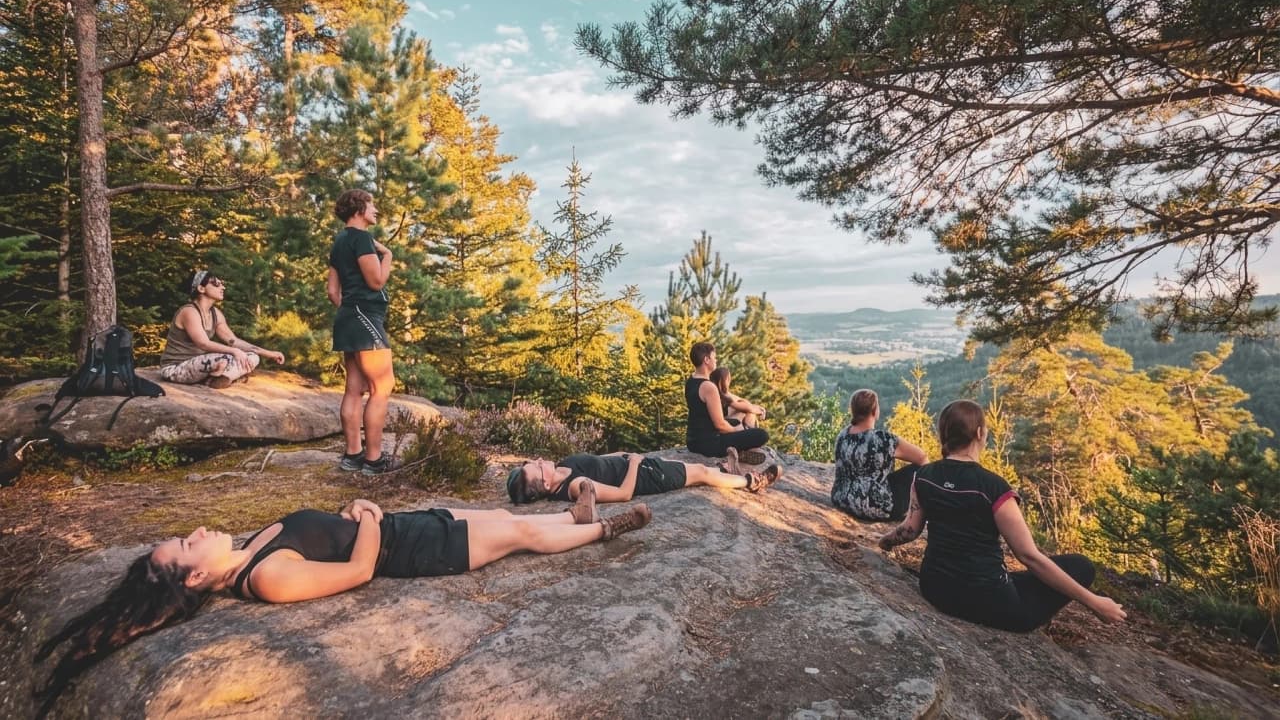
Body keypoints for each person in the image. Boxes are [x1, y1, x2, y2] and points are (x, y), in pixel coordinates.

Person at [34, 497, 653, 709]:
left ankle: (571, 516)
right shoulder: (267, 578)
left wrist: (361, 514)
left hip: (403, 526)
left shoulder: (249, 548)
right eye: (187, 545)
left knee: (499, 515)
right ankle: (602, 530)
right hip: (411, 551)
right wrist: (371, 515)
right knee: (515, 536)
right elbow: (358, 572)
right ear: (194, 580)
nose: (196, 533)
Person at [877, 399, 1127, 633]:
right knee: (1081, 566)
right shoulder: (994, 488)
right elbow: (1029, 556)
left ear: (944, 433)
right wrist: (1094, 603)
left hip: (935, 588)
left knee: (1022, 579)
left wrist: (885, 541)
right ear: (979, 434)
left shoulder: (924, 476)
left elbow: (911, 528)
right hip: (990, 602)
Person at [327, 188, 396, 475]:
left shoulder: (339, 241)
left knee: (354, 389)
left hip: (348, 317)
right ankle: (373, 459)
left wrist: (350, 309)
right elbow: (377, 281)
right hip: (365, 316)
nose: (376, 210)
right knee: (382, 387)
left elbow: (332, 291)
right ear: (358, 209)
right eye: (372, 205)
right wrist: (388, 255)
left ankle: (352, 456)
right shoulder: (361, 239)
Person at [506, 450, 782, 506]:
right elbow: (623, 495)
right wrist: (636, 463)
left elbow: (598, 461)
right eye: (538, 467)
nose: (540, 461)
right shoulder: (576, 487)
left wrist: (623, 454)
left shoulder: (564, 467)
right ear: (544, 484)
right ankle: (751, 482)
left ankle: (726, 473)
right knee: (700, 473)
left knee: (690, 467)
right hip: (644, 477)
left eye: (535, 461)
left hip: (635, 462)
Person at [159, 270, 285, 388]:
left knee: (253, 357)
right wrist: (234, 351)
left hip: (199, 365)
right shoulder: (189, 311)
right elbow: (203, 343)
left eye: (222, 284)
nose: (222, 287)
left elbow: (234, 341)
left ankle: (221, 379)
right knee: (224, 359)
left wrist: (269, 354)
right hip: (176, 368)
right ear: (201, 288)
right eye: (216, 284)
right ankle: (222, 377)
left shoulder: (216, 313)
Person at [830, 389, 927, 522]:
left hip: (842, 498)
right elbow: (922, 457)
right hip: (876, 506)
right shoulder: (883, 439)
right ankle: (920, 515)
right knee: (920, 470)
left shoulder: (843, 435)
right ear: (875, 411)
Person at [685, 342, 769, 463]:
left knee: (736, 421)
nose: (716, 360)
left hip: (693, 441)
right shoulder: (708, 387)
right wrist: (740, 432)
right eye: (714, 357)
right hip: (709, 445)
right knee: (761, 435)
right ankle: (738, 452)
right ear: (706, 360)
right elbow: (720, 426)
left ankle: (739, 450)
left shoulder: (691, 380)